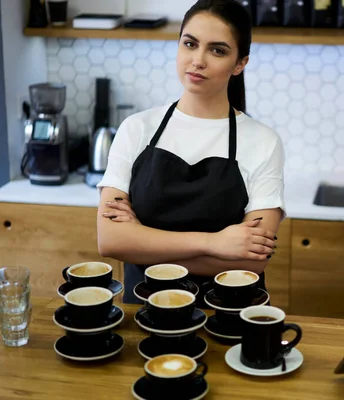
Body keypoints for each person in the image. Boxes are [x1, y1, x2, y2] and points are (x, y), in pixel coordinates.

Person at [96, 0, 285, 305]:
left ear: (240, 64)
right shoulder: (137, 129)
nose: (198, 60)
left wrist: (143, 243)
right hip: (143, 315)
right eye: (190, 44)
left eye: (217, 50)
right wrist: (215, 243)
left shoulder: (262, 141)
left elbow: (251, 262)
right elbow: (111, 240)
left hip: (226, 316)